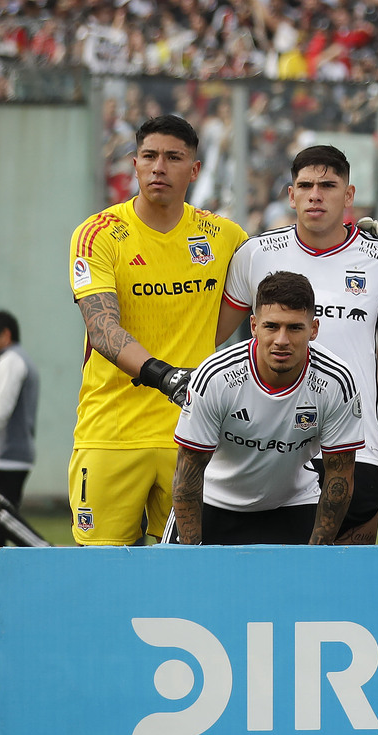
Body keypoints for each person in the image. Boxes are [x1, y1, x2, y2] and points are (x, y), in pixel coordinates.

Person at [68, 115, 248, 546]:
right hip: (110, 431)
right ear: (134, 164)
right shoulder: (98, 234)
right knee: (102, 578)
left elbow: (285, 278)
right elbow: (103, 328)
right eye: (149, 156)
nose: (158, 167)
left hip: (192, 436)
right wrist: (164, 376)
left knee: (190, 578)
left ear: (195, 169)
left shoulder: (226, 237)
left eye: (173, 157)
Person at [216, 145, 378, 545]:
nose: (316, 194)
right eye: (306, 185)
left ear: (349, 195)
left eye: (328, 185)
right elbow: (208, 337)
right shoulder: (254, 255)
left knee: (348, 588)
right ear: (291, 194)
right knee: (273, 585)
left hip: (357, 445)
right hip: (270, 447)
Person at [164, 271, 363, 545]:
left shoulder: (336, 381)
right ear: (254, 325)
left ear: (313, 329)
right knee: (184, 585)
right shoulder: (215, 377)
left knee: (307, 587)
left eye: (295, 328)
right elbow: (188, 474)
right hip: (212, 500)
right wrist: (192, 553)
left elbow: (340, 476)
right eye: (271, 326)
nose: (282, 340)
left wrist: (318, 553)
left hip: (292, 503)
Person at [0, 311, 50, 596]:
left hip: (11, 455)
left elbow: (1, 408)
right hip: (7, 454)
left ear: (5, 335)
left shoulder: (12, 361)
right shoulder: (10, 360)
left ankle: (46, 553)